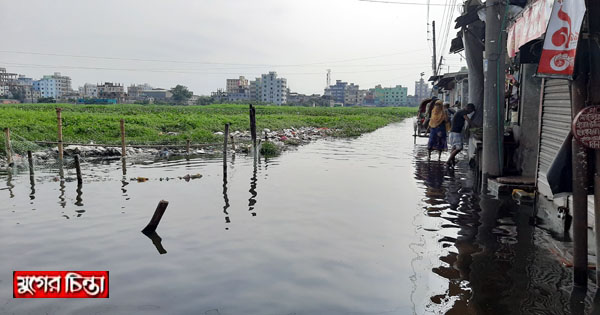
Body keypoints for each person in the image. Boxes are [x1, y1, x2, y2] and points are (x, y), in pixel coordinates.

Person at [446, 103, 476, 168]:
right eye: (471, 111)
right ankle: (448, 162)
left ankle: (452, 162)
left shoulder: (459, 111)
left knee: (454, 148)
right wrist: (475, 126)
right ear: (469, 108)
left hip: (452, 132)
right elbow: (468, 120)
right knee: (459, 148)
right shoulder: (463, 112)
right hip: (456, 133)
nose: (470, 112)